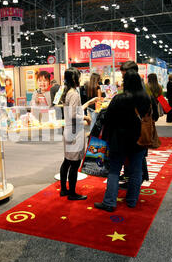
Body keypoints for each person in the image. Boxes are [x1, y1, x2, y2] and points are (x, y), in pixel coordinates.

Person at [94, 70, 158, 212]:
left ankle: (109, 202)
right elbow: (156, 116)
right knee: (136, 171)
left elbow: (107, 119)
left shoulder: (119, 99)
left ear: (126, 83)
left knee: (114, 171)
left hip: (119, 141)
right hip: (140, 140)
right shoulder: (146, 98)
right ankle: (132, 201)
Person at [59, 67, 96, 201]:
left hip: (69, 130)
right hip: (75, 132)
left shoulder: (68, 92)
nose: (80, 79)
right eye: (79, 77)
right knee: (74, 164)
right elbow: (74, 115)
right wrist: (86, 118)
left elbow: (74, 111)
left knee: (67, 161)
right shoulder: (74, 93)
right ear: (74, 78)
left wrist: (88, 103)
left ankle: (64, 189)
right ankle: (72, 193)